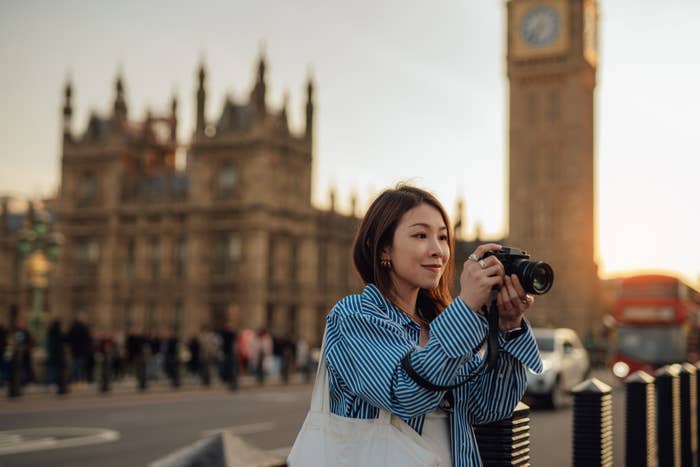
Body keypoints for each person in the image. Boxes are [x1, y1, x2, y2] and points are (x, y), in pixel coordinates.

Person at [323, 185, 542, 467]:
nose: (438, 250)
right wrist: (466, 307)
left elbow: (490, 407)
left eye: (443, 237)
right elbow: (405, 394)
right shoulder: (353, 316)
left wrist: (508, 326)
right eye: (420, 235)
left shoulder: (443, 324)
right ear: (382, 248)